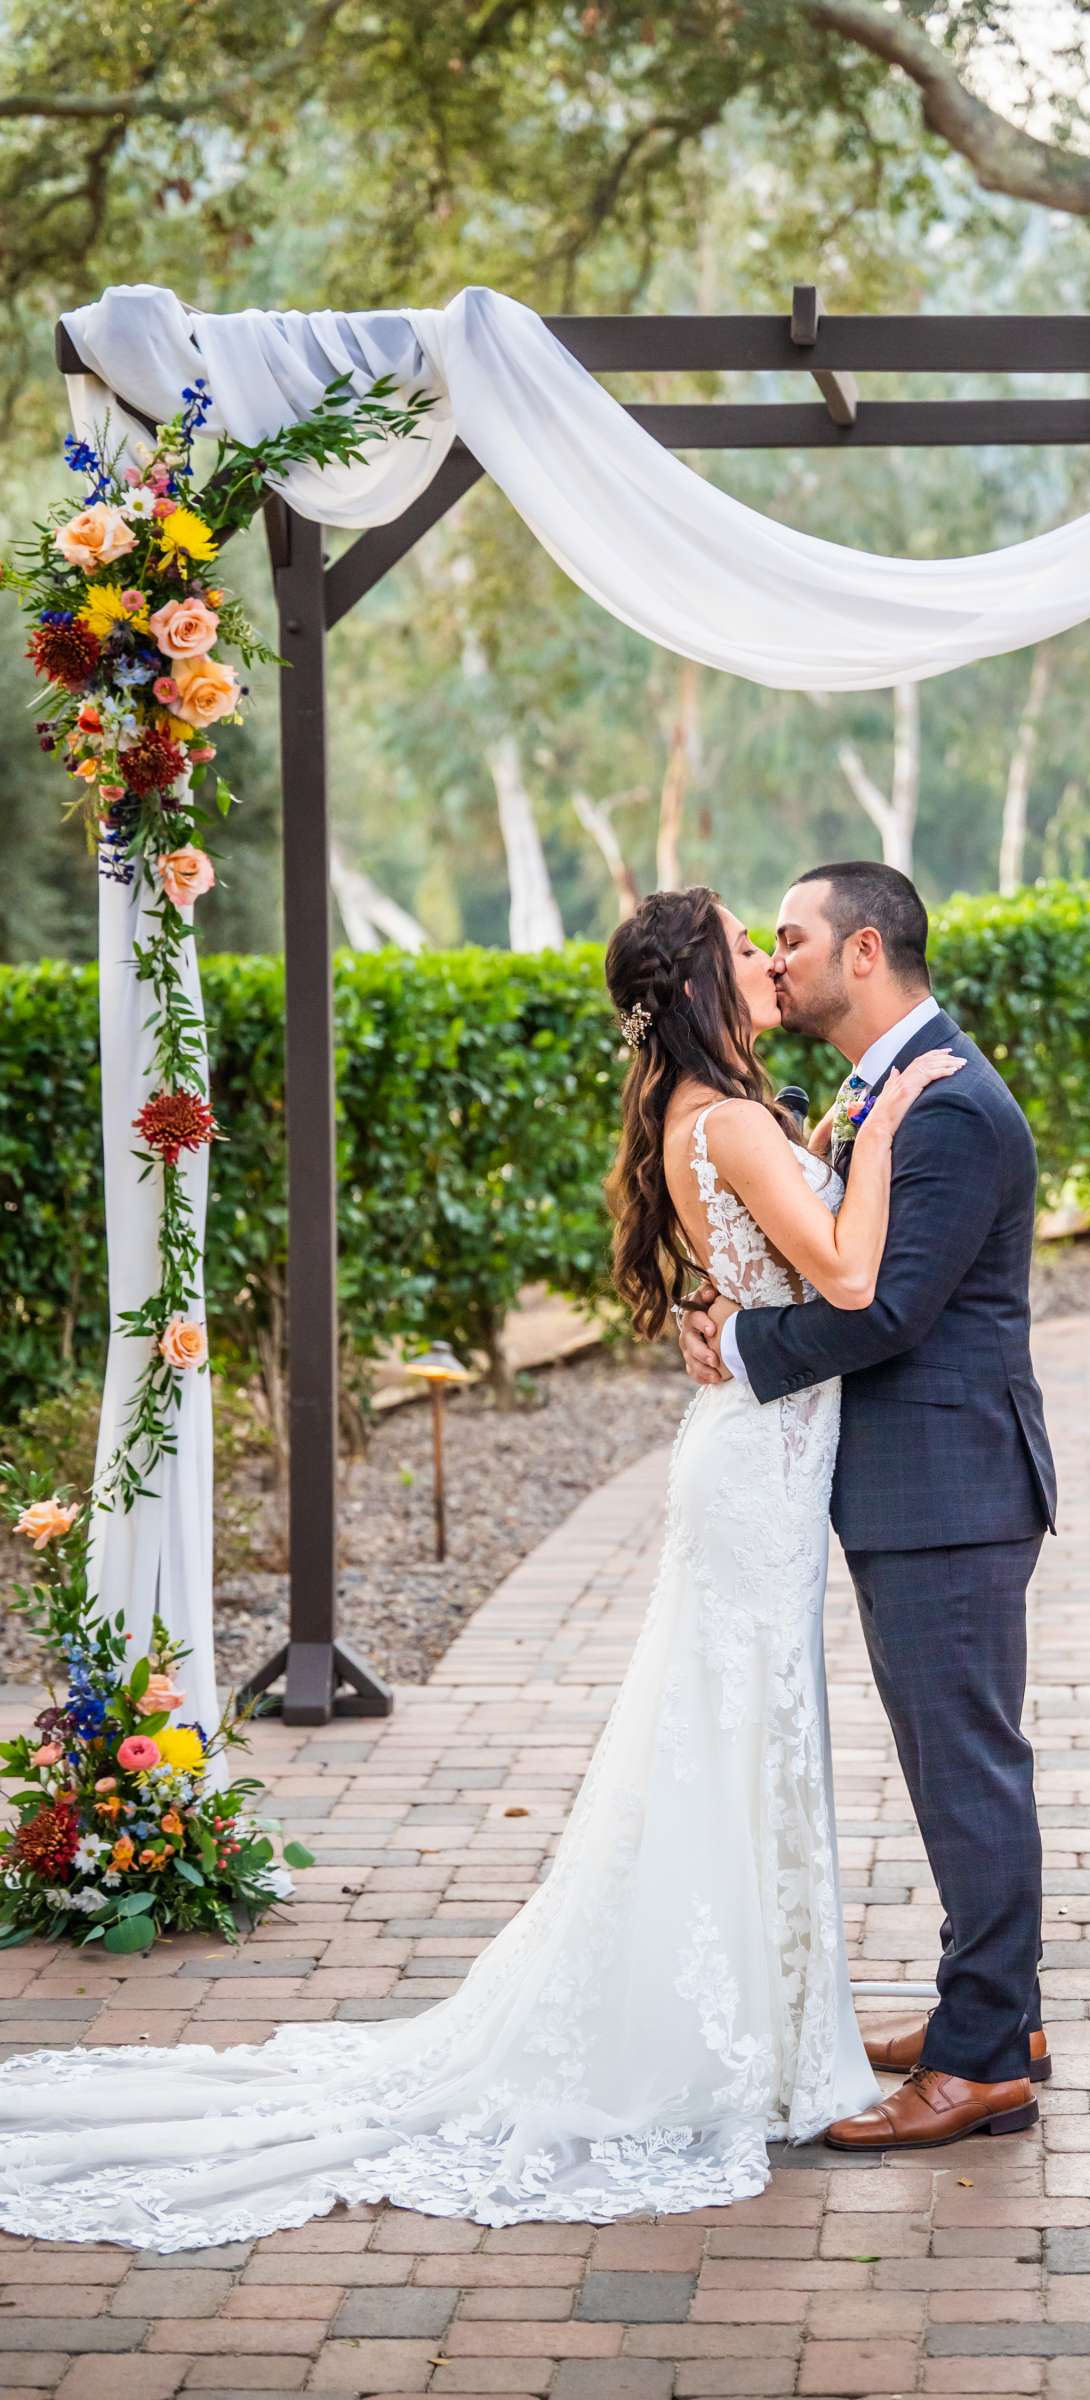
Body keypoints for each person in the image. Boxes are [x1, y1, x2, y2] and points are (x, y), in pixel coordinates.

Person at [0, 885, 961, 2249]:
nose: (765, 961)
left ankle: (770, 2020)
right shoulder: (737, 1121)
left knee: (742, 1736)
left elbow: (761, 1264)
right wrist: (890, 1121)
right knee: (741, 1733)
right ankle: (743, 2036)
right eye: (745, 947)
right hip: (753, 1473)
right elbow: (855, 1278)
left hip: (753, 1456)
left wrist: (823, 1154)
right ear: (697, 984)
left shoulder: (709, 1115)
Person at [676, 859, 1057, 2151]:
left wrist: (739, 1352)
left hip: (946, 1486)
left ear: (863, 954)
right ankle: (991, 2012)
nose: (771, 961)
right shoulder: (879, 1088)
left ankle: (984, 2061)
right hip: (916, 1484)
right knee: (952, 1763)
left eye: (790, 938)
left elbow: (888, 1309)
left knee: (965, 1773)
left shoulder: (942, 1106)